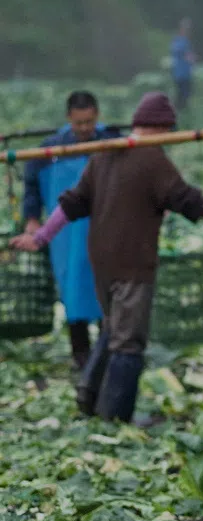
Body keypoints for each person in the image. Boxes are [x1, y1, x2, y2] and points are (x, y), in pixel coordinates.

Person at [10, 92, 203, 424]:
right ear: (161, 129)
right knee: (129, 344)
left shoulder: (103, 153)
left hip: (101, 263)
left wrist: (42, 236)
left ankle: (88, 395)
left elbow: (72, 203)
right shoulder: (151, 160)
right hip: (132, 265)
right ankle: (115, 418)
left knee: (114, 329)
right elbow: (189, 201)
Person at [22, 91, 122, 370]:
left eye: (89, 122)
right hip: (65, 234)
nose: (84, 129)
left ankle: (107, 353)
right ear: (69, 119)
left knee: (107, 289)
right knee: (73, 288)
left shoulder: (111, 142)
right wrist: (31, 218)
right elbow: (31, 185)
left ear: (97, 116)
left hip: (105, 227)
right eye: (79, 123)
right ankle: (82, 356)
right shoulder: (50, 149)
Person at [170, 18, 196, 111]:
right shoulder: (179, 41)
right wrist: (191, 58)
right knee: (182, 96)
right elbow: (186, 55)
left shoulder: (183, 41)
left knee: (184, 95)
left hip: (185, 74)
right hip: (181, 74)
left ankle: (179, 113)